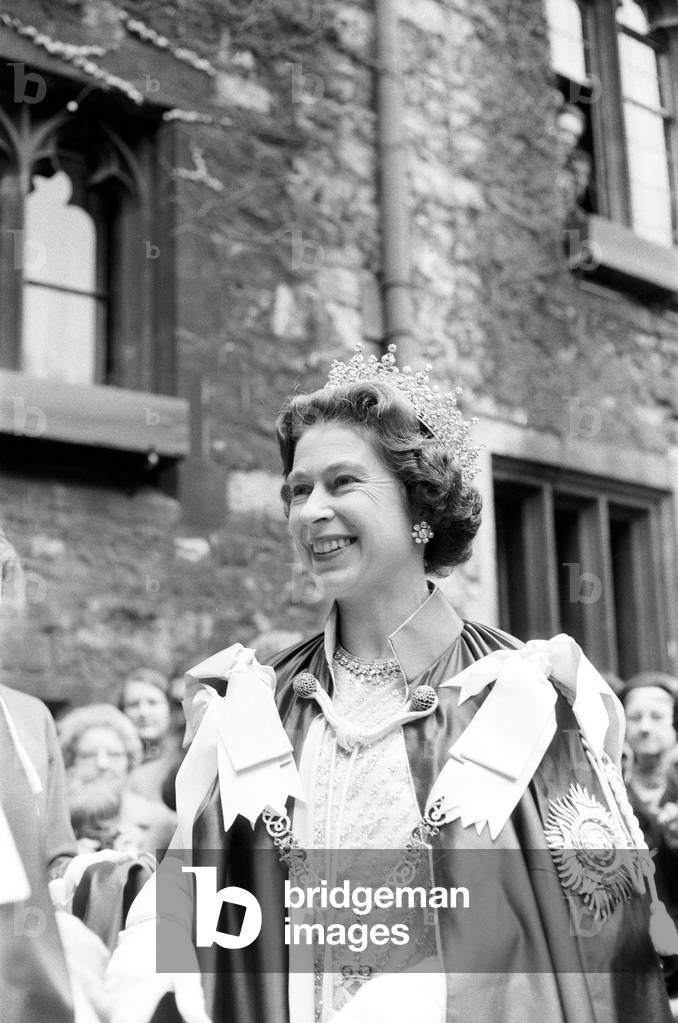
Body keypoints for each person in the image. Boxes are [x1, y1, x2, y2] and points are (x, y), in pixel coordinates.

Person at [107, 346, 673, 1023]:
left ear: (419, 506)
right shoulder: (258, 702)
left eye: (342, 482)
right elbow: (187, 893)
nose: (311, 510)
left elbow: (591, 936)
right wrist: (150, 982)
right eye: (298, 489)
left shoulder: (517, 694)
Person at [59, 704, 177, 857]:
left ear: (129, 761)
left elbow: (178, 872)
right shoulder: (54, 822)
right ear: (71, 761)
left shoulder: (164, 824)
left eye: (114, 754)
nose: (102, 764)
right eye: (88, 755)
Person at [120, 668, 181, 805]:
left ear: (169, 708)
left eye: (153, 703)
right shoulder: (111, 758)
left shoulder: (183, 757)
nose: (143, 712)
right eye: (133, 704)